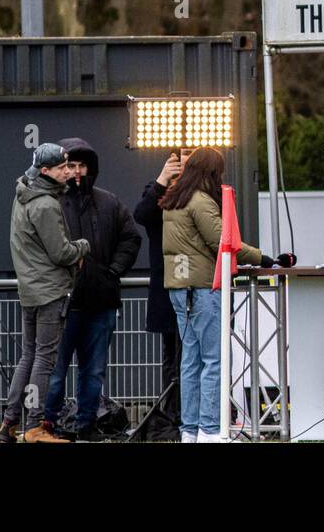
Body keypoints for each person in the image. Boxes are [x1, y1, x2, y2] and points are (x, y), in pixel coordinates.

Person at [161, 146, 285, 443]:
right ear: (211, 173)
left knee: (190, 361)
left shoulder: (173, 199)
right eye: (220, 172)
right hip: (204, 288)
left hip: (180, 289)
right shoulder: (201, 201)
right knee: (214, 360)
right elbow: (225, 242)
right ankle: (210, 430)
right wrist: (264, 258)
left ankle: (189, 431)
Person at [42, 137, 141, 441]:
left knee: (94, 372)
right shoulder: (51, 204)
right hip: (62, 304)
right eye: (69, 165)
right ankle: (48, 426)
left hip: (101, 302)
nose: (75, 171)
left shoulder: (109, 202)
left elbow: (131, 237)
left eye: (81, 165)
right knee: (55, 373)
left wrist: (112, 272)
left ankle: (86, 426)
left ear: (90, 168)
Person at [0, 143, 91, 444]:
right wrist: (83, 246)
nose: (68, 171)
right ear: (46, 171)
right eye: (62, 167)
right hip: (50, 291)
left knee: (29, 356)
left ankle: (9, 423)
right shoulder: (46, 204)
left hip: (30, 288)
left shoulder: (23, 193)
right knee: (44, 360)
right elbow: (61, 252)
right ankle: (34, 426)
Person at [133, 150, 187, 435]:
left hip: (194, 286)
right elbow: (141, 214)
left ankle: (188, 416)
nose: (184, 162)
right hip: (167, 288)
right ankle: (173, 415)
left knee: (193, 357)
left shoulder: (205, 194)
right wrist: (163, 179)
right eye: (181, 157)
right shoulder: (156, 193)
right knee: (172, 357)